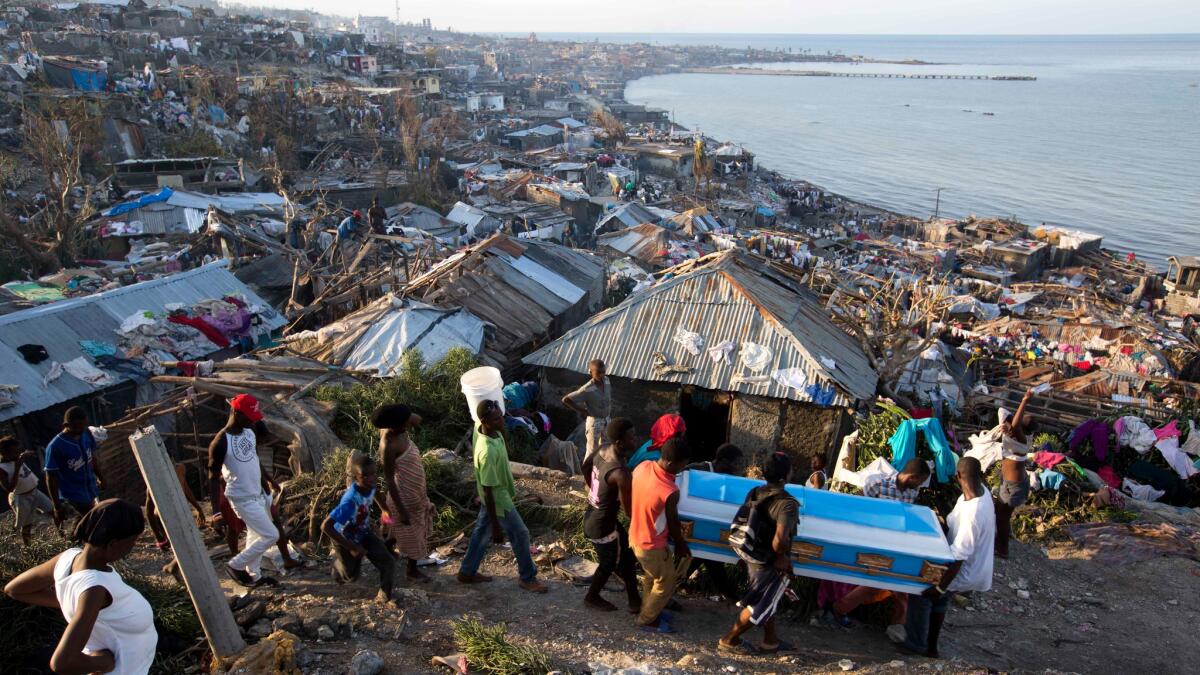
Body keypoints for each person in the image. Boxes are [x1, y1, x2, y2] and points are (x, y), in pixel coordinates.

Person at [5, 499, 157, 675]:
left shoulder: (68, 558)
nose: (132, 547)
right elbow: (62, 663)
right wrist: (101, 663)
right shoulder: (95, 588)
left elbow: (15, 589)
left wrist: (75, 607)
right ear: (113, 544)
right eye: (131, 542)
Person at [900, 457, 995, 658]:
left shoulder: (974, 513)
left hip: (964, 570)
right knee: (939, 601)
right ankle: (931, 647)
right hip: (964, 564)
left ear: (958, 476)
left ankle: (916, 644)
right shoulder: (978, 494)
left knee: (923, 593)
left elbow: (960, 556)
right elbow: (951, 522)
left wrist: (940, 586)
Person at [825, 459, 929, 634]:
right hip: (873, 543)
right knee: (882, 582)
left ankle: (897, 624)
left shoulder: (912, 492)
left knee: (896, 585)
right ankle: (839, 609)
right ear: (913, 477)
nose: (921, 485)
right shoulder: (878, 485)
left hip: (897, 545)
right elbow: (857, 507)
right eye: (921, 480)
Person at [457, 400, 548, 593]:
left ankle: (467, 571)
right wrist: (497, 527)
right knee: (520, 533)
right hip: (498, 500)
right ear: (485, 421)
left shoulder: (485, 429)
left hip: (495, 494)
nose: (502, 421)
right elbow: (489, 490)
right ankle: (527, 577)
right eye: (497, 419)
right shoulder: (487, 452)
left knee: (481, 533)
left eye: (501, 416)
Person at [719, 452, 799, 654]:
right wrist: (781, 557)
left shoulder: (755, 492)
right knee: (760, 603)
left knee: (768, 599)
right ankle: (729, 639)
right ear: (785, 477)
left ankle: (770, 641)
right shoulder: (787, 504)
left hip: (752, 553)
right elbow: (780, 540)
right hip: (768, 560)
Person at [208, 394, 281, 587]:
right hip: (241, 498)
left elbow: (253, 459)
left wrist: (269, 482)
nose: (252, 421)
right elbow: (213, 478)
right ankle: (235, 565)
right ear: (236, 412)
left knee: (255, 535)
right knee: (271, 535)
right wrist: (215, 511)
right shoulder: (220, 441)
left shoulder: (249, 432)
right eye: (248, 417)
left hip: (258, 493)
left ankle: (254, 575)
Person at [630, 437, 692, 633]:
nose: (683, 469)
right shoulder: (670, 491)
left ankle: (651, 609)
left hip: (636, 534)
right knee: (666, 580)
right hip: (652, 543)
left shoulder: (643, 466)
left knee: (652, 576)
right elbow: (673, 523)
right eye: (682, 465)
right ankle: (647, 620)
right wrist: (681, 544)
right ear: (671, 463)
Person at [582, 418, 642, 613]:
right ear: (620, 443)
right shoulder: (621, 474)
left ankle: (634, 600)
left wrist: (593, 490)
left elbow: (586, 465)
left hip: (594, 514)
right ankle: (592, 597)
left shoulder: (604, 449)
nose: (636, 440)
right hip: (603, 526)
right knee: (609, 563)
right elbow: (629, 511)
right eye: (632, 437)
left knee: (626, 557)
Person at [322, 453, 397, 604]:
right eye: (365, 476)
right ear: (356, 478)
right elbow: (327, 526)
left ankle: (384, 596)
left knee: (388, 562)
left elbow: (382, 504)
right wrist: (352, 547)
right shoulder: (350, 501)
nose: (370, 478)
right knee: (350, 576)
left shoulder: (371, 487)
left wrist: (387, 517)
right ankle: (337, 567)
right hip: (345, 538)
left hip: (363, 532)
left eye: (373, 474)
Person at [375, 404, 435, 582]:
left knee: (399, 530)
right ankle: (412, 571)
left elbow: (417, 419)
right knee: (413, 535)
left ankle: (387, 547)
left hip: (416, 491)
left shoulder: (398, 427)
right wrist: (401, 510)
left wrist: (405, 416)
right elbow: (389, 480)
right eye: (404, 424)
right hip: (404, 496)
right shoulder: (388, 444)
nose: (408, 426)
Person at [683, 443, 743, 603]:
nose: (737, 468)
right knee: (708, 557)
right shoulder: (697, 470)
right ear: (722, 460)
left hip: (710, 526)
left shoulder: (728, 478)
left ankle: (679, 581)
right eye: (734, 463)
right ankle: (729, 594)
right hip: (692, 524)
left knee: (706, 555)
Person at [995, 388, 1035, 558]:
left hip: (1014, 486)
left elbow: (1016, 423)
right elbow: (1002, 411)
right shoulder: (1021, 436)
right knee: (1002, 513)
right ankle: (1003, 539)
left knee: (1002, 517)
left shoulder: (1020, 438)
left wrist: (1025, 399)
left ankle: (1002, 550)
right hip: (1012, 482)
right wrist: (1009, 423)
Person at [45, 407, 103, 523]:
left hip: (90, 487)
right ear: (66, 424)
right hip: (73, 494)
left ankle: (75, 537)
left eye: (83, 426)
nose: (81, 429)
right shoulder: (55, 446)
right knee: (94, 520)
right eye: (77, 427)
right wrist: (57, 506)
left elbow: (92, 458)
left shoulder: (86, 434)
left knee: (86, 520)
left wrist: (101, 477)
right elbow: (51, 477)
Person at [1, 435, 54, 545]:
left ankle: (63, 535)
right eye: (14, 452)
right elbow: (9, 488)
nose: (17, 454)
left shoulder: (16, 458)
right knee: (26, 525)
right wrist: (17, 467)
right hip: (21, 497)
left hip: (35, 491)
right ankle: (28, 548)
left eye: (17, 451)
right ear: (5, 453)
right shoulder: (2, 468)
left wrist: (26, 455)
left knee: (53, 510)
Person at [562, 359, 612, 466]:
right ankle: (587, 475)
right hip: (595, 421)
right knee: (592, 451)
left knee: (606, 447)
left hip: (607, 419)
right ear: (591, 372)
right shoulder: (587, 389)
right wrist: (582, 411)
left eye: (603, 371)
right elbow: (566, 399)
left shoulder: (607, 380)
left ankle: (600, 471)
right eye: (599, 373)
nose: (602, 375)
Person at [864, 458, 930, 505]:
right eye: (921, 481)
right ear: (911, 477)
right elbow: (862, 508)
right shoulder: (876, 485)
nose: (921, 484)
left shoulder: (914, 491)